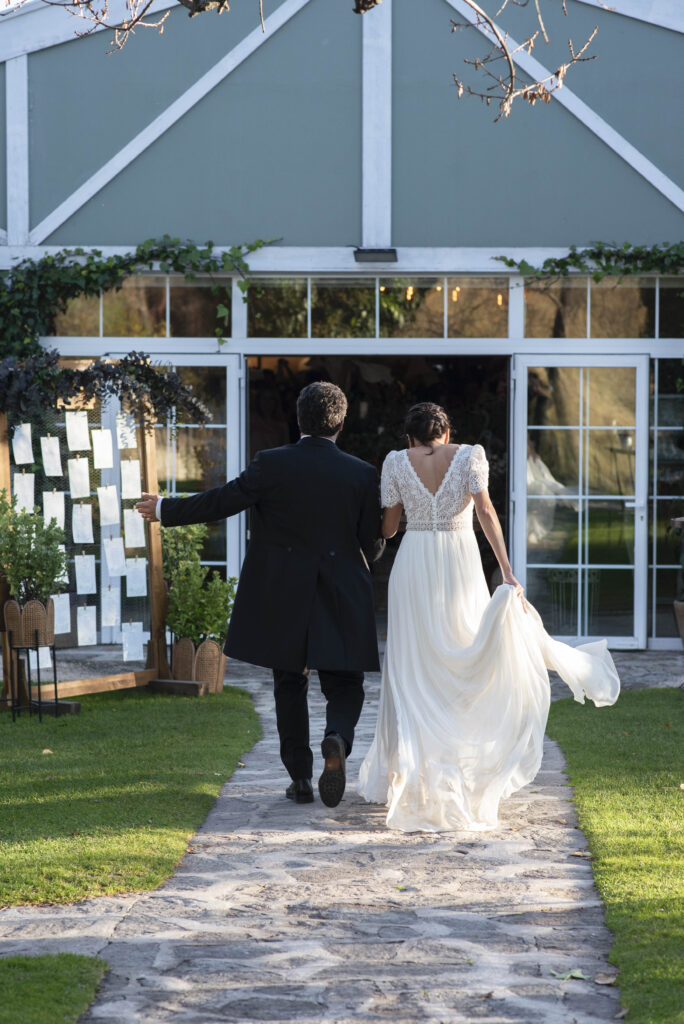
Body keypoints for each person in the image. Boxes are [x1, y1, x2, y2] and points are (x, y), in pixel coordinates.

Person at [358, 402, 620, 832]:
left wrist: (402, 514)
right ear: (446, 433)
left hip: (414, 565)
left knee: (413, 668)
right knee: (465, 652)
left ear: (410, 437)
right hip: (459, 564)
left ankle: (415, 774)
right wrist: (508, 570)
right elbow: (486, 513)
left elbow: (388, 530)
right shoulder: (469, 455)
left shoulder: (394, 462)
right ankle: (461, 770)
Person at [137, 382, 385, 808]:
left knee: (289, 682)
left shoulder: (270, 464)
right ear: (341, 424)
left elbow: (221, 502)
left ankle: (301, 779)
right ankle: (337, 739)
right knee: (346, 683)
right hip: (341, 593)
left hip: (285, 592)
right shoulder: (363, 474)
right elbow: (372, 547)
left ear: (298, 419)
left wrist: (164, 509)